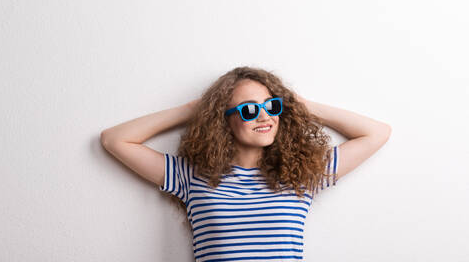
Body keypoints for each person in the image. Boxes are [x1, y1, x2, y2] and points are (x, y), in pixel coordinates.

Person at [100, 66, 391, 261]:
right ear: (223, 119)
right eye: (250, 109)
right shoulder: (192, 176)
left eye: (271, 105)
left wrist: (301, 105)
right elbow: (115, 140)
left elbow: (377, 133)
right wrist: (191, 110)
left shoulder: (302, 174)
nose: (265, 116)